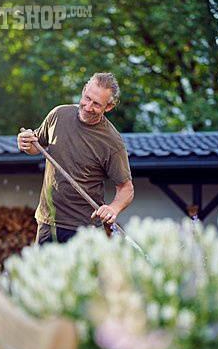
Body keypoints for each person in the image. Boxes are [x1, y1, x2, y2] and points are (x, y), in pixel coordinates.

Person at [17, 72, 134, 244]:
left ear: (109, 107)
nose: (88, 107)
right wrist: (26, 143)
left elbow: (126, 188)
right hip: (48, 222)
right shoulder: (58, 115)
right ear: (84, 89)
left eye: (96, 104)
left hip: (85, 230)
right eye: (87, 98)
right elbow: (37, 146)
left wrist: (113, 208)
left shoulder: (112, 142)